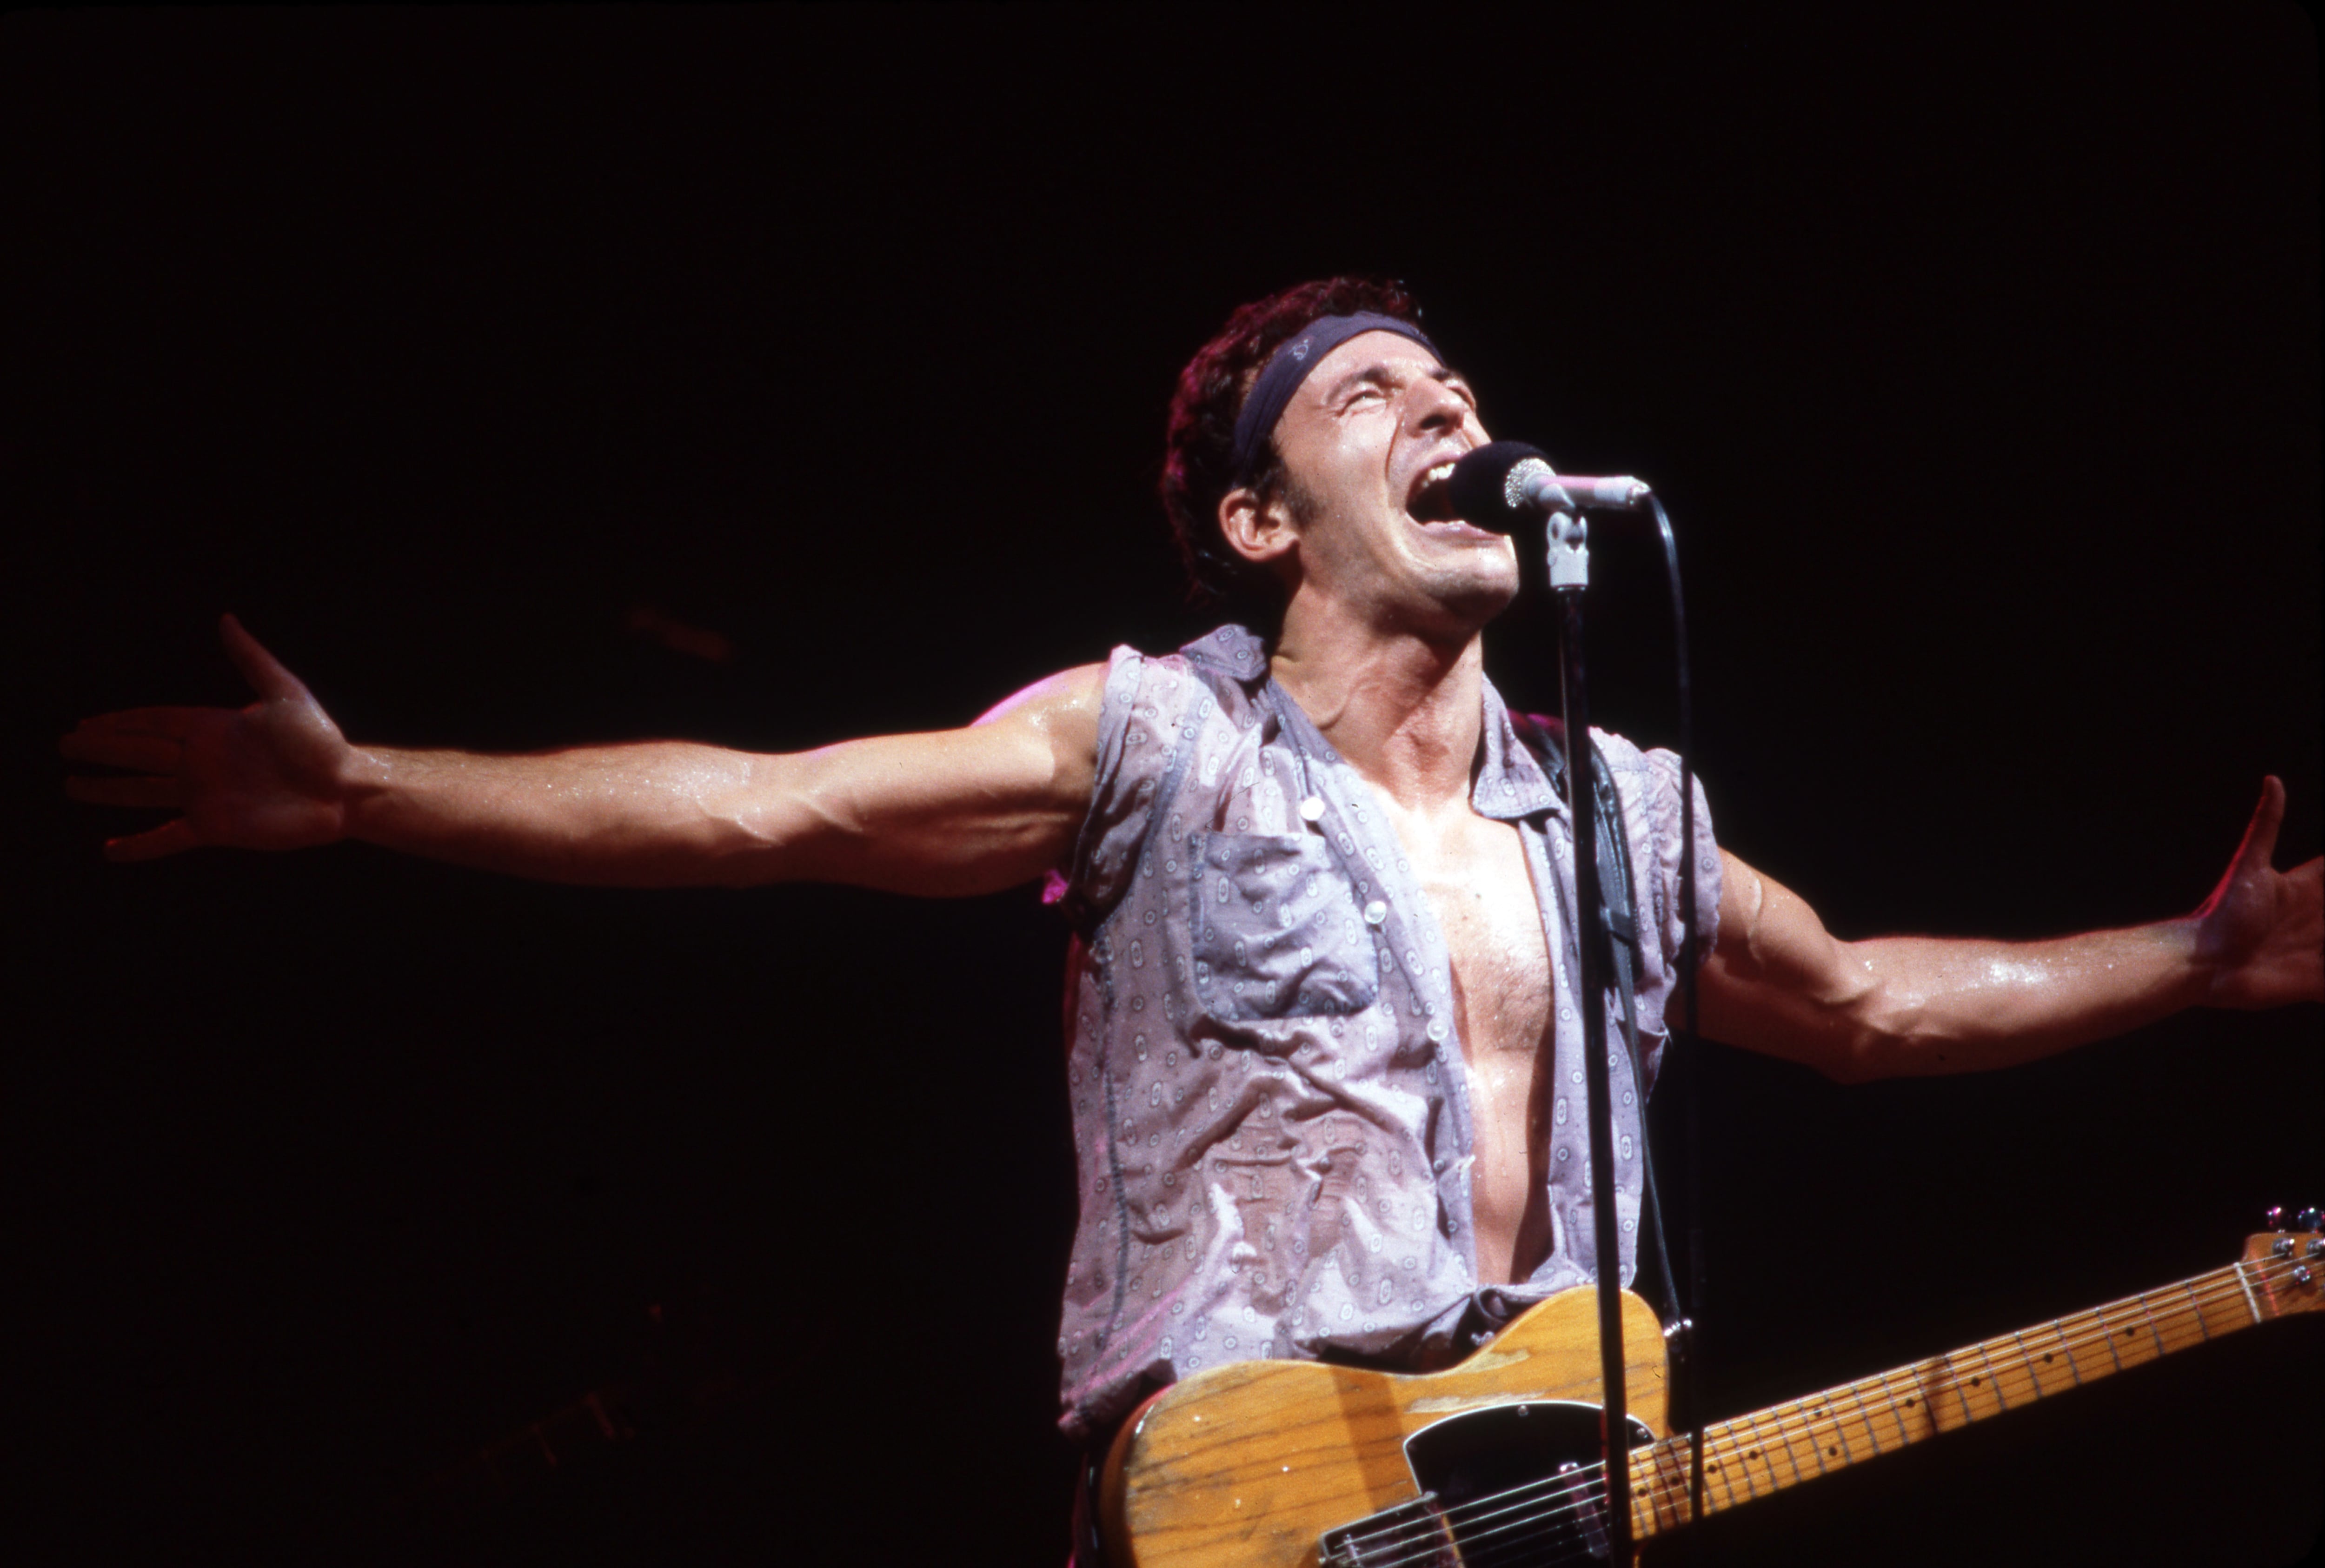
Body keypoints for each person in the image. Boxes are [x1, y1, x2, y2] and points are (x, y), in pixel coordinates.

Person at [61, 276, 2321, 1515]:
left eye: (1456, 383)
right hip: (1258, 1492)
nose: (1447, 411)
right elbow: (760, 808)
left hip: (1554, 1473)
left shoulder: (1615, 806)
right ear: (1260, 523)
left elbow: (1866, 1005)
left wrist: (2199, 961)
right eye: (1371, 397)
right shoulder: (1151, 738)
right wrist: (370, 791)